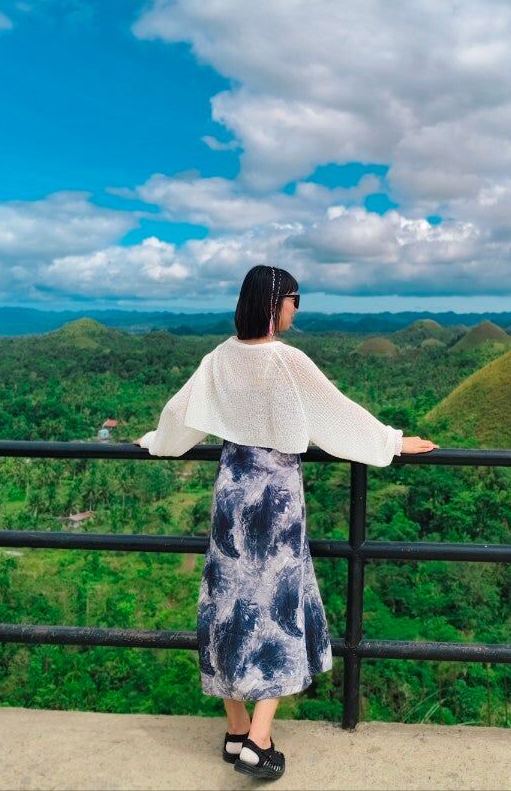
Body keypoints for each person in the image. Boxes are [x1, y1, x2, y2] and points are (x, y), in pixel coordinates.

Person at [134, 264, 439, 781]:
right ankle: (259, 738)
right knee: (276, 607)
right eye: (295, 300)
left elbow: (178, 418)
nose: (297, 310)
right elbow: (337, 416)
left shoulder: (218, 358)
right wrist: (391, 442)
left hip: (232, 494)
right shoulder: (286, 361)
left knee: (227, 604)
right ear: (277, 304)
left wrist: (154, 443)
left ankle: (235, 733)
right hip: (275, 499)